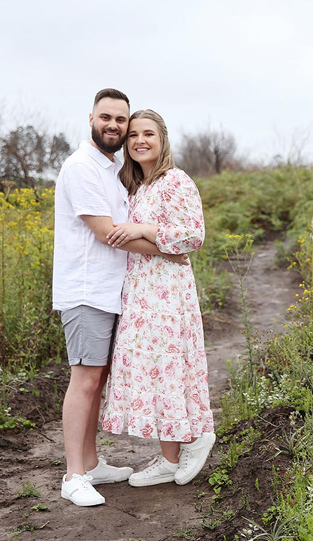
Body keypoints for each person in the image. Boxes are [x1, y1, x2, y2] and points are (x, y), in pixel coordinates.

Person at [53, 90, 187, 507]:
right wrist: (169, 250)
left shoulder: (114, 168)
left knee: (99, 379)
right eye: (105, 117)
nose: (113, 125)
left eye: (120, 120)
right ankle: (73, 475)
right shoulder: (81, 168)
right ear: (91, 118)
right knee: (85, 379)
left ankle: (91, 464)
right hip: (87, 291)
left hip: (116, 292)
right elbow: (107, 233)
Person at [100, 109, 216, 486]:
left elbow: (193, 236)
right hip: (140, 290)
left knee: (170, 366)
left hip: (167, 293)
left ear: (163, 139)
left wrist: (144, 229)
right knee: (155, 372)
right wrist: (151, 239)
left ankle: (196, 439)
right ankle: (169, 457)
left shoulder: (175, 180)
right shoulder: (139, 187)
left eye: (148, 134)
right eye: (133, 135)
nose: (139, 141)